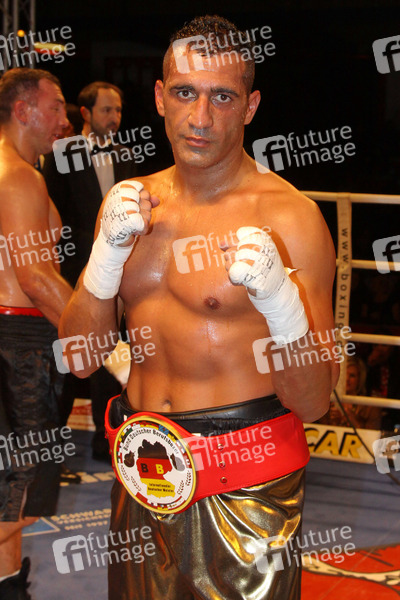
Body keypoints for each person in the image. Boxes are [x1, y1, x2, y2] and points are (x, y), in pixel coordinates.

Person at [59, 15, 339, 600]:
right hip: (143, 476)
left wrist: (281, 303)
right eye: (186, 93)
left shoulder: (290, 219)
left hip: (248, 493)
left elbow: (314, 401)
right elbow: (81, 359)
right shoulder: (130, 204)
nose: (201, 117)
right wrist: (104, 259)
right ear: (161, 97)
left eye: (223, 97)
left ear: (251, 106)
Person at [0, 68, 73, 598]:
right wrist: (103, 340)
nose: (65, 120)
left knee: (9, 491)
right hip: (19, 343)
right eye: (57, 107)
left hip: (11, 337)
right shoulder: (19, 176)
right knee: (23, 488)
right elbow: (35, 277)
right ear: (23, 110)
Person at [43, 81, 138, 461]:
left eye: (118, 110)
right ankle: (50, 445)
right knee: (69, 357)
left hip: (119, 272)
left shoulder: (126, 154)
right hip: (72, 271)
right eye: (106, 110)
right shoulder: (61, 153)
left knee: (109, 353)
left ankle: (107, 439)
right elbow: (50, 214)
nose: (114, 118)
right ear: (85, 113)